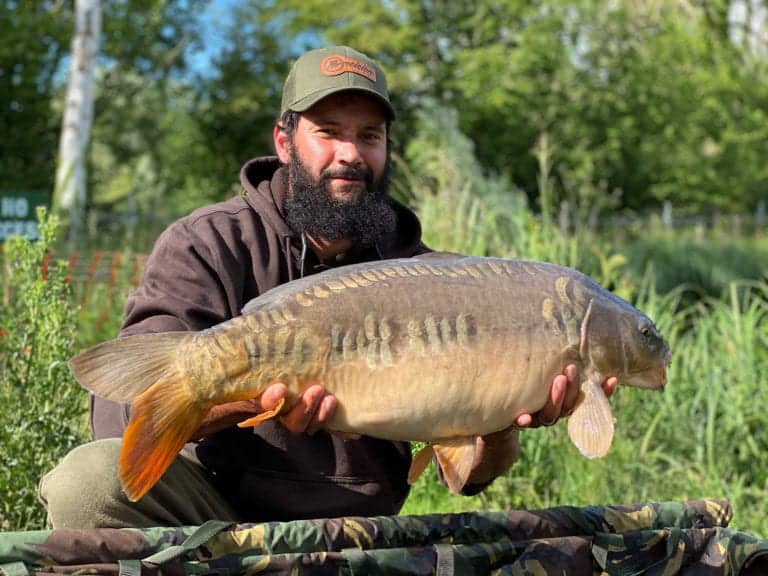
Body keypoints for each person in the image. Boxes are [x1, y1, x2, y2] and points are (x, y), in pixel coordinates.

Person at [40, 46, 616, 528]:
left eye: (369, 135)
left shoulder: (437, 279)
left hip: (358, 531)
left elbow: (467, 477)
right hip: (217, 515)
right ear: (284, 141)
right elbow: (120, 419)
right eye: (329, 132)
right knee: (88, 484)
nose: (350, 154)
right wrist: (256, 393)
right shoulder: (209, 243)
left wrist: (504, 423)